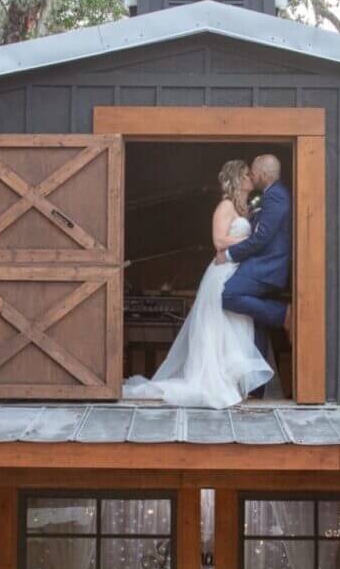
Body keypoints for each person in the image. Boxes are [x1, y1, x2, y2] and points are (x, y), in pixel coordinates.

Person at [122, 159, 274, 408]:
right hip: (222, 274)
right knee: (219, 327)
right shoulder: (224, 206)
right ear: (237, 178)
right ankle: (214, 382)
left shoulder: (245, 208)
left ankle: (233, 384)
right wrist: (252, 242)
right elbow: (218, 241)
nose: (251, 178)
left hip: (238, 273)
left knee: (238, 326)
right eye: (247, 174)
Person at [216, 153, 292, 398]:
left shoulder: (276, 195)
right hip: (259, 264)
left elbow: (261, 237)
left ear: (264, 174)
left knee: (229, 295)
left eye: (254, 172)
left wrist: (228, 256)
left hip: (266, 266)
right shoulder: (267, 197)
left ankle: (283, 314)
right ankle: (256, 390)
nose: (252, 175)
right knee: (257, 325)